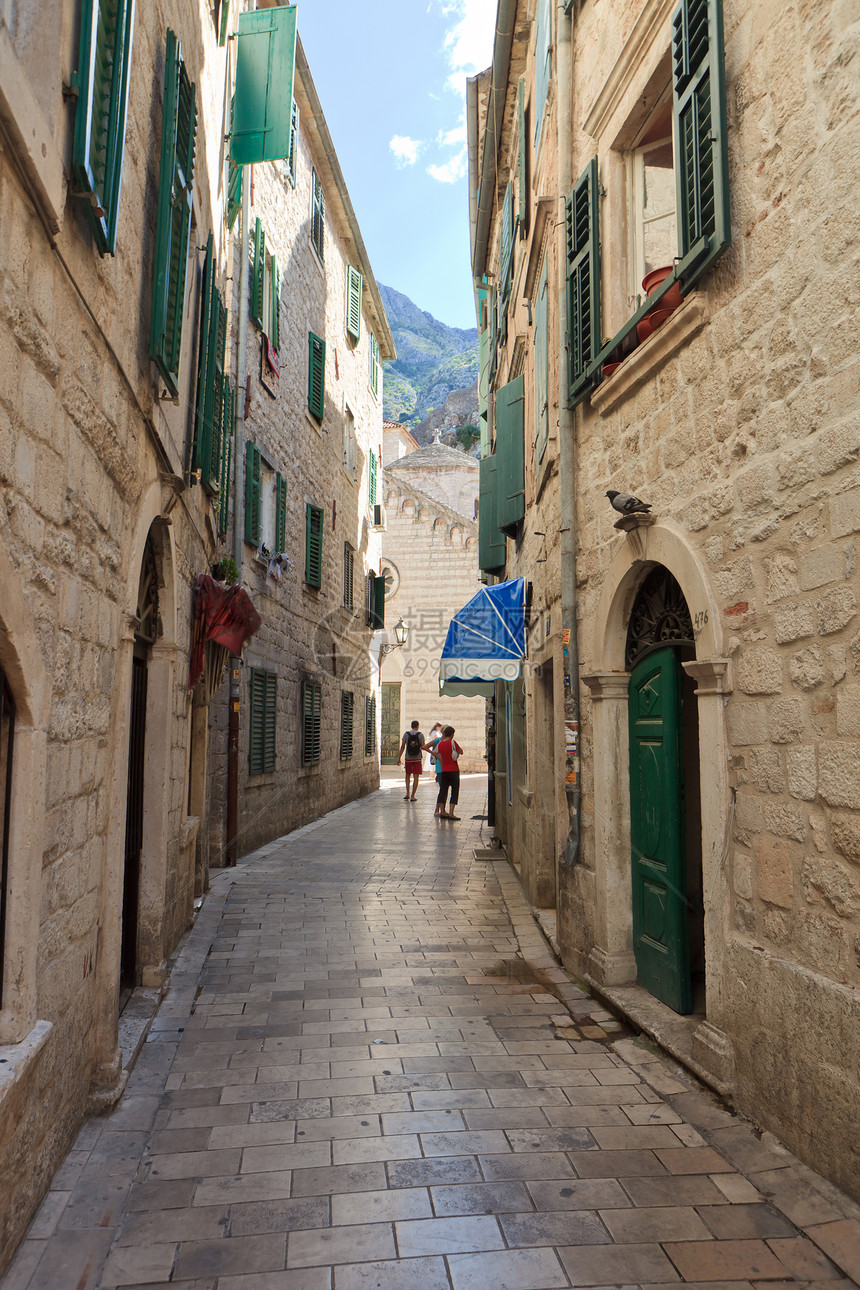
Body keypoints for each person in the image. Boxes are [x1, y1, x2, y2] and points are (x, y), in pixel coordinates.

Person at [435, 725, 462, 820]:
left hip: (444, 770)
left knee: (443, 790)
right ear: (451, 734)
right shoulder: (453, 742)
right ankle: (451, 813)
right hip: (454, 770)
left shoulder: (440, 744)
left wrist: (443, 767)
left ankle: (442, 811)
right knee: (454, 791)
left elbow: (440, 758)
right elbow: (461, 751)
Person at [396, 720, 426, 800]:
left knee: (407, 775)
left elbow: (402, 746)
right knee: (416, 777)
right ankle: (413, 796)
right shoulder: (420, 735)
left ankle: (407, 793)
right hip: (417, 758)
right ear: (418, 726)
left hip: (408, 758)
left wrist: (399, 758)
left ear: (411, 726)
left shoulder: (406, 734)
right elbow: (423, 746)